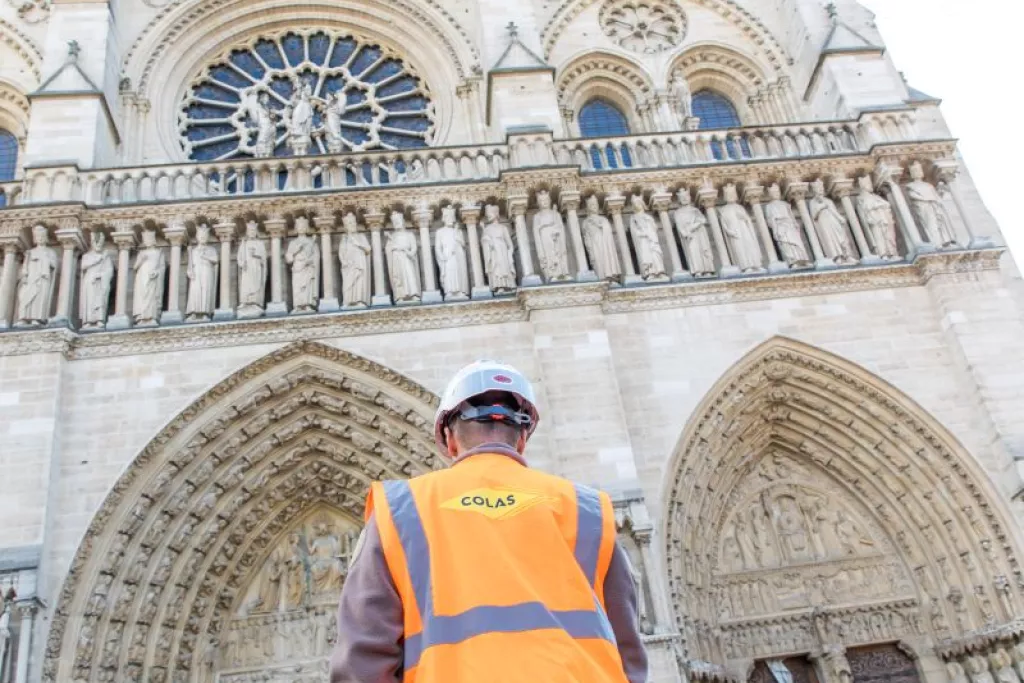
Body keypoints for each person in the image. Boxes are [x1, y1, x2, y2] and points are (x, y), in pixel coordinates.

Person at [330, 360, 648, 683]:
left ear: (449, 440)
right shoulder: (587, 510)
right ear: (522, 439)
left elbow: (362, 662)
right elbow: (627, 651)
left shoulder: (400, 510)